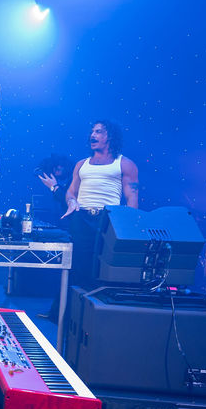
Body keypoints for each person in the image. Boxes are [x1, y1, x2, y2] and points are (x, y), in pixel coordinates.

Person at [62, 120, 140, 288]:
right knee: (78, 263)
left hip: (107, 219)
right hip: (82, 217)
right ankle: (73, 303)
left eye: (98, 132)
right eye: (92, 132)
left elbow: (132, 198)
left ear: (109, 136)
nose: (92, 135)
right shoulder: (81, 164)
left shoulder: (124, 164)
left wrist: (128, 225)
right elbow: (71, 191)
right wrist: (71, 201)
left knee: (102, 264)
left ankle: (97, 302)